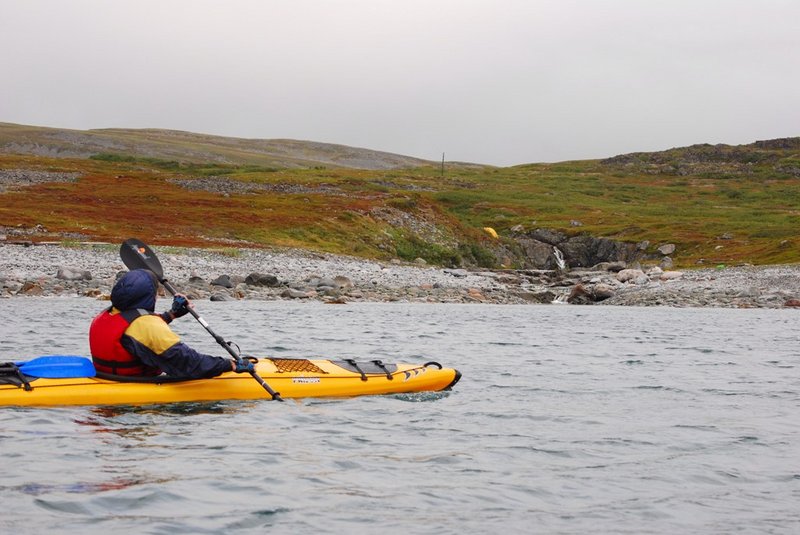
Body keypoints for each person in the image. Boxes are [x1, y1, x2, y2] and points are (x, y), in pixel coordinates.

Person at [89, 269, 254, 379]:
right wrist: (228, 364)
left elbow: (136, 333)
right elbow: (187, 362)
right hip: (137, 388)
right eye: (155, 293)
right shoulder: (147, 326)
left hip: (106, 377)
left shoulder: (106, 314)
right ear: (147, 297)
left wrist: (172, 314)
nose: (157, 296)